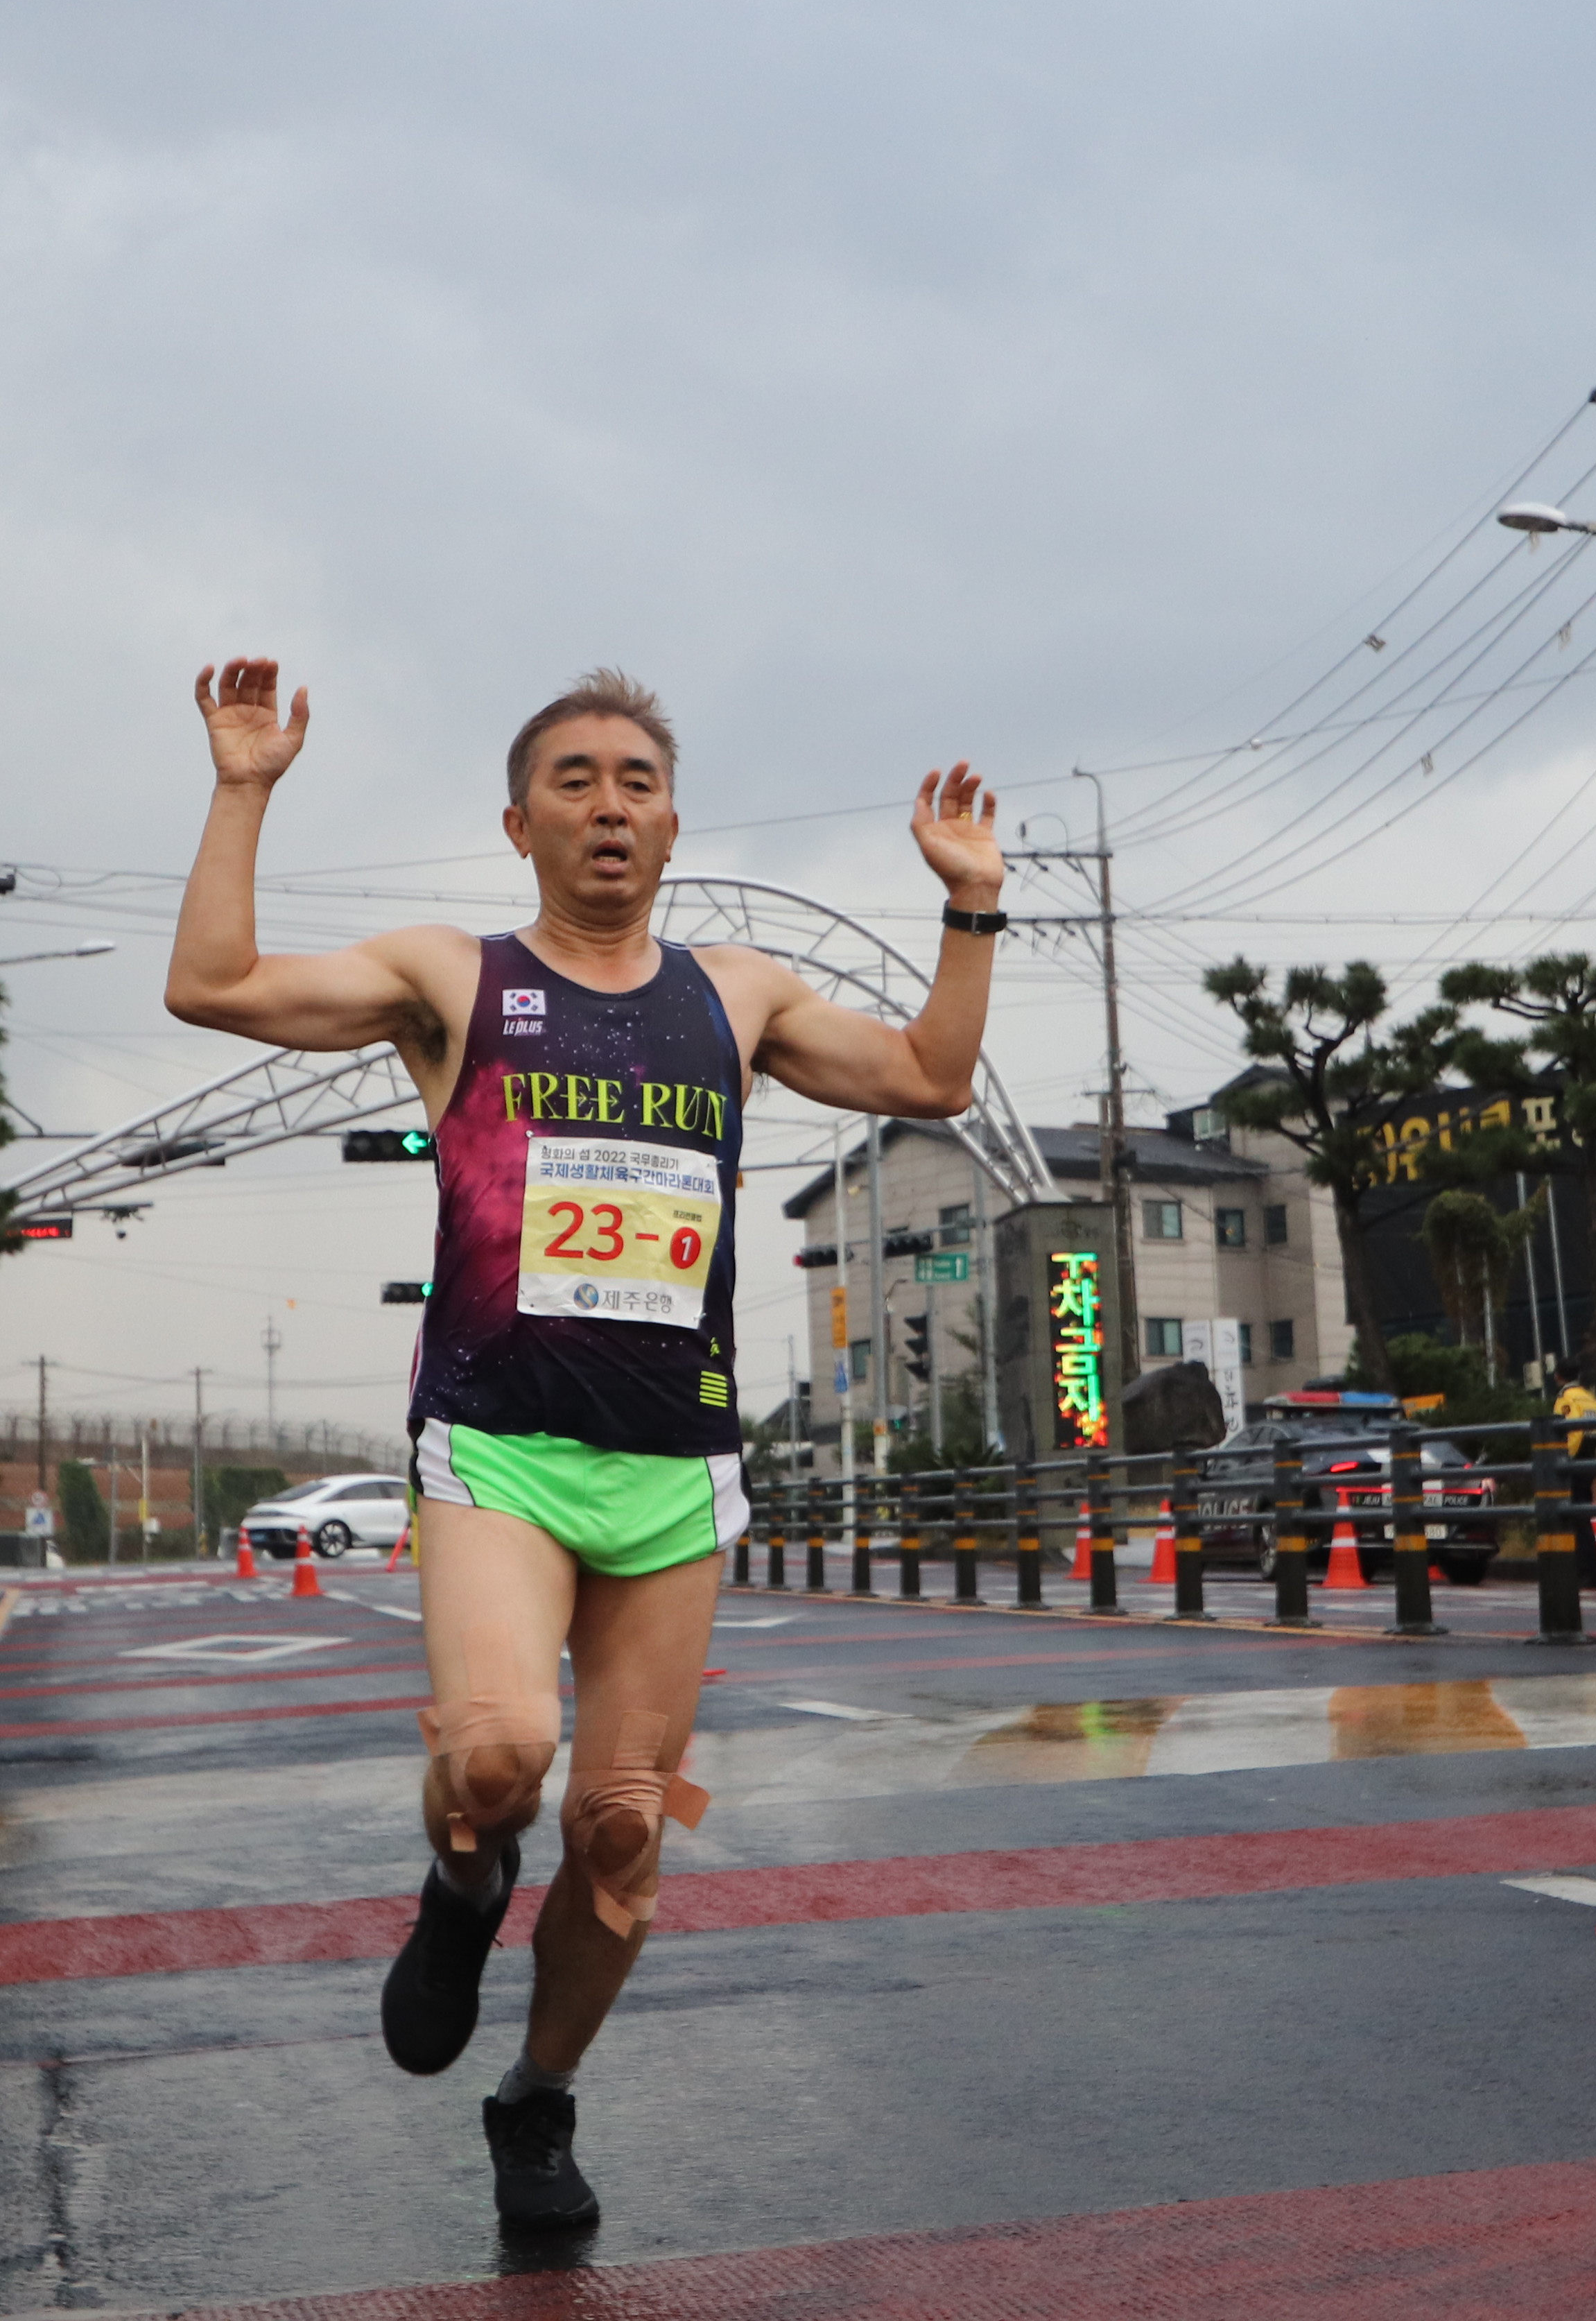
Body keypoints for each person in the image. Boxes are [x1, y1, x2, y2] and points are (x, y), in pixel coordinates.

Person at [163, 659, 1000, 2232]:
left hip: (674, 1468)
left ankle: (536, 2097)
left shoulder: (736, 995)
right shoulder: (453, 977)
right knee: (498, 1756)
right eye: (574, 780)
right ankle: (465, 1880)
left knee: (621, 1832)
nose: (609, 804)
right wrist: (243, 788)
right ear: (519, 823)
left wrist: (969, 905)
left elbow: (932, 1077)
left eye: (636, 782)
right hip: (499, 1446)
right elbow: (213, 985)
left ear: (672, 824)